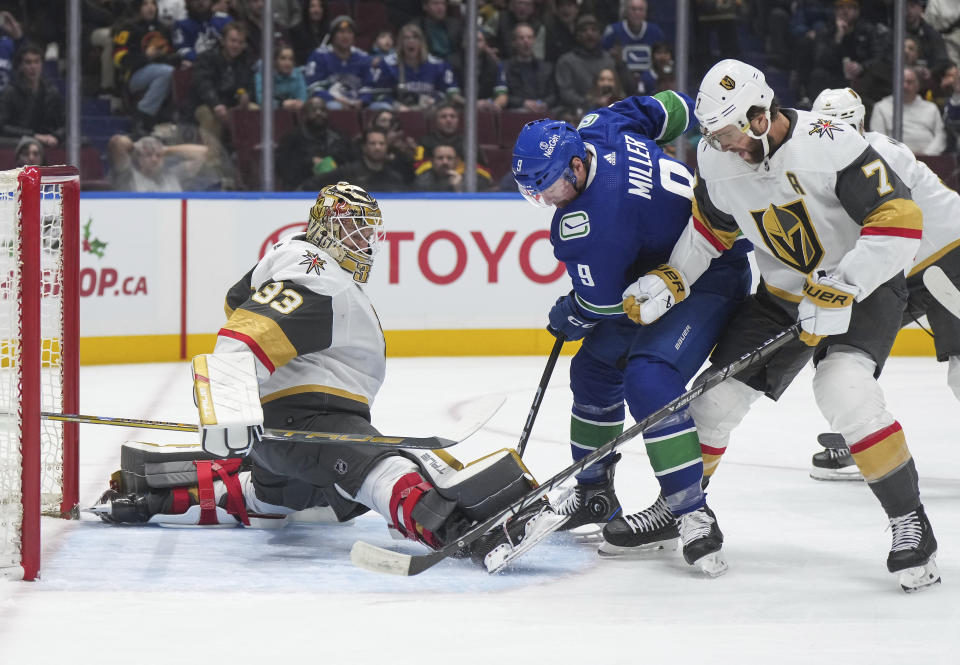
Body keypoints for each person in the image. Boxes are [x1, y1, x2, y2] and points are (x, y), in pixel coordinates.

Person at [89, 182, 557, 574]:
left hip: (284, 437)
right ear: (327, 227)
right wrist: (228, 404)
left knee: (297, 502)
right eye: (356, 230)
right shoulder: (318, 272)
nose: (366, 243)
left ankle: (149, 494)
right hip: (306, 420)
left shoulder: (300, 266)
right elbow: (245, 334)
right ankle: (462, 531)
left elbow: (238, 299)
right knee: (380, 466)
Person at [632, 59, 939, 591]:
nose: (718, 144)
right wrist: (673, 278)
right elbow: (711, 228)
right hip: (782, 295)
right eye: (712, 134)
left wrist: (844, 283)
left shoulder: (831, 143)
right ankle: (679, 506)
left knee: (843, 390)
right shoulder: (716, 154)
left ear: (758, 115)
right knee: (712, 401)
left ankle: (910, 523)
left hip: (863, 286)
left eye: (726, 132)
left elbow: (900, 220)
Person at [511, 90, 752, 574]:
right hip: (655, 276)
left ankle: (690, 514)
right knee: (595, 370)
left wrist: (571, 312)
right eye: (534, 191)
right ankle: (593, 494)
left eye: (550, 188)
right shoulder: (600, 125)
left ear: (577, 167)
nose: (545, 200)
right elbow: (678, 109)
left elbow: (599, 302)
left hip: (708, 276)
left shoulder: (592, 225)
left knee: (649, 378)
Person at [806, 87, 960, 480]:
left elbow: (891, 224)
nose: (833, 137)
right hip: (903, 269)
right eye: (825, 128)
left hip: (949, 254)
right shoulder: (817, 165)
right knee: (849, 347)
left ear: (860, 124)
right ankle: (862, 435)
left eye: (841, 127)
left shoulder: (883, 154)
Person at [113, 0, 180, 135]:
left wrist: (166, 57)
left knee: (175, 72)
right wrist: (146, 56)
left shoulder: (163, 28)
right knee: (167, 73)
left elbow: (172, 55)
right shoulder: (127, 28)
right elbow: (118, 59)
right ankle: (142, 117)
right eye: (145, 4)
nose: (150, 8)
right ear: (137, 7)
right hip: (134, 75)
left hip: (161, 72)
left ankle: (172, 119)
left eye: (153, 4)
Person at [364, 23, 460, 111]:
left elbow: (450, 93)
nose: (411, 41)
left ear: (422, 42)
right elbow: (378, 94)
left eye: (415, 38)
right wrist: (397, 106)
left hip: (431, 111)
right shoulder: (387, 64)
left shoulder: (438, 65)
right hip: (398, 111)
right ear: (400, 43)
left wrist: (435, 100)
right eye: (406, 38)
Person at [189, 21, 256, 146]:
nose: (236, 45)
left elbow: (247, 85)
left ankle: (249, 155)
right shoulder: (207, 58)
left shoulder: (246, 60)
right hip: (207, 105)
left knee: (254, 110)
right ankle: (211, 159)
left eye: (240, 42)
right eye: (233, 41)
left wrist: (245, 95)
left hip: (233, 105)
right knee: (209, 116)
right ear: (223, 41)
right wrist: (216, 104)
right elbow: (203, 84)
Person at [275, 96, 354, 191]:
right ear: (304, 114)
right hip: (301, 190)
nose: (318, 113)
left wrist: (333, 162)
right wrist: (309, 162)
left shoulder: (339, 137)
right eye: (313, 110)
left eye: (322, 110)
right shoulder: (292, 138)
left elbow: (351, 164)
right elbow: (283, 167)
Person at [870, 67, 947, 156]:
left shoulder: (931, 108)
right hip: (894, 161)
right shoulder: (880, 107)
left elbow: (940, 135)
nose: (905, 86)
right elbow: (878, 139)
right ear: (895, 84)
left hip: (928, 161)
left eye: (909, 82)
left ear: (917, 86)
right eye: (901, 81)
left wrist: (926, 155)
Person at [0, 43, 64, 149]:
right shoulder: (9, 92)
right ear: (20, 66)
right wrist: (33, 136)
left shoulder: (52, 92)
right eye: (28, 62)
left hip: (46, 140)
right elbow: (2, 126)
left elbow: (65, 124)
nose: (33, 67)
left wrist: (56, 136)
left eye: (37, 62)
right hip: (17, 142)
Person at [554, 15, 618, 119]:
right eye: (584, 30)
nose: (589, 33)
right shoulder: (566, 61)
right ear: (577, 36)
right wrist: (590, 102)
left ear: (600, 35)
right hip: (575, 114)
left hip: (605, 112)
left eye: (593, 29)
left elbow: (615, 89)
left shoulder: (608, 60)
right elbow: (565, 93)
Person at [304, 15, 372, 111]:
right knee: (335, 107)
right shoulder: (319, 55)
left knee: (379, 108)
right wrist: (335, 99)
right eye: (341, 32)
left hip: (356, 103)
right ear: (333, 36)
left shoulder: (363, 57)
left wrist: (362, 101)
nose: (346, 36)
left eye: (349, 32)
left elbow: (368, 87)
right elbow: (313, 88)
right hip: (329, 103)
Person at [107, 133, 210, 192]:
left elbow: (204, 153)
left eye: (158, 155)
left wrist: (166, 150)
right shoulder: (127, 176)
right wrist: (136, 147)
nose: (154, 159)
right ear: (139, 159)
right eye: (148, 155)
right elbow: (117, 142)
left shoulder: (174, 175)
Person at [601, 0, 667, 87]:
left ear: (645, 13)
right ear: (626, 12)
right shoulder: (613, 31)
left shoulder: (655, 32)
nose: (637, 13)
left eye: (640, 9)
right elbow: (602, 58)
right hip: (620, 84)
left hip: (650, 85)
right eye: (633, 9)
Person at [503, 22, 555, 114]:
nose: (526, 41)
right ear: (514, 42)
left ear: (534, 40)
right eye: (521, 38)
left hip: (542, 114)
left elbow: (554, 94)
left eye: (529, 37)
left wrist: (544, 104)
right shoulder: (505, 68)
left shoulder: (546, 68)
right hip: (515, 115)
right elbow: (502, 96)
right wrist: (523, 103)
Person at [255, 44, 307, 113]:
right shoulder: (263, 75)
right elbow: (261, 100)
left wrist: (296, 104)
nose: (287, 63)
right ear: (274, 61)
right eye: (283, 58)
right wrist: (281, 104)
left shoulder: (298, 74)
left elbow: (303, 98)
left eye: (291, 59)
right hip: (268, 114)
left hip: (294, 113)